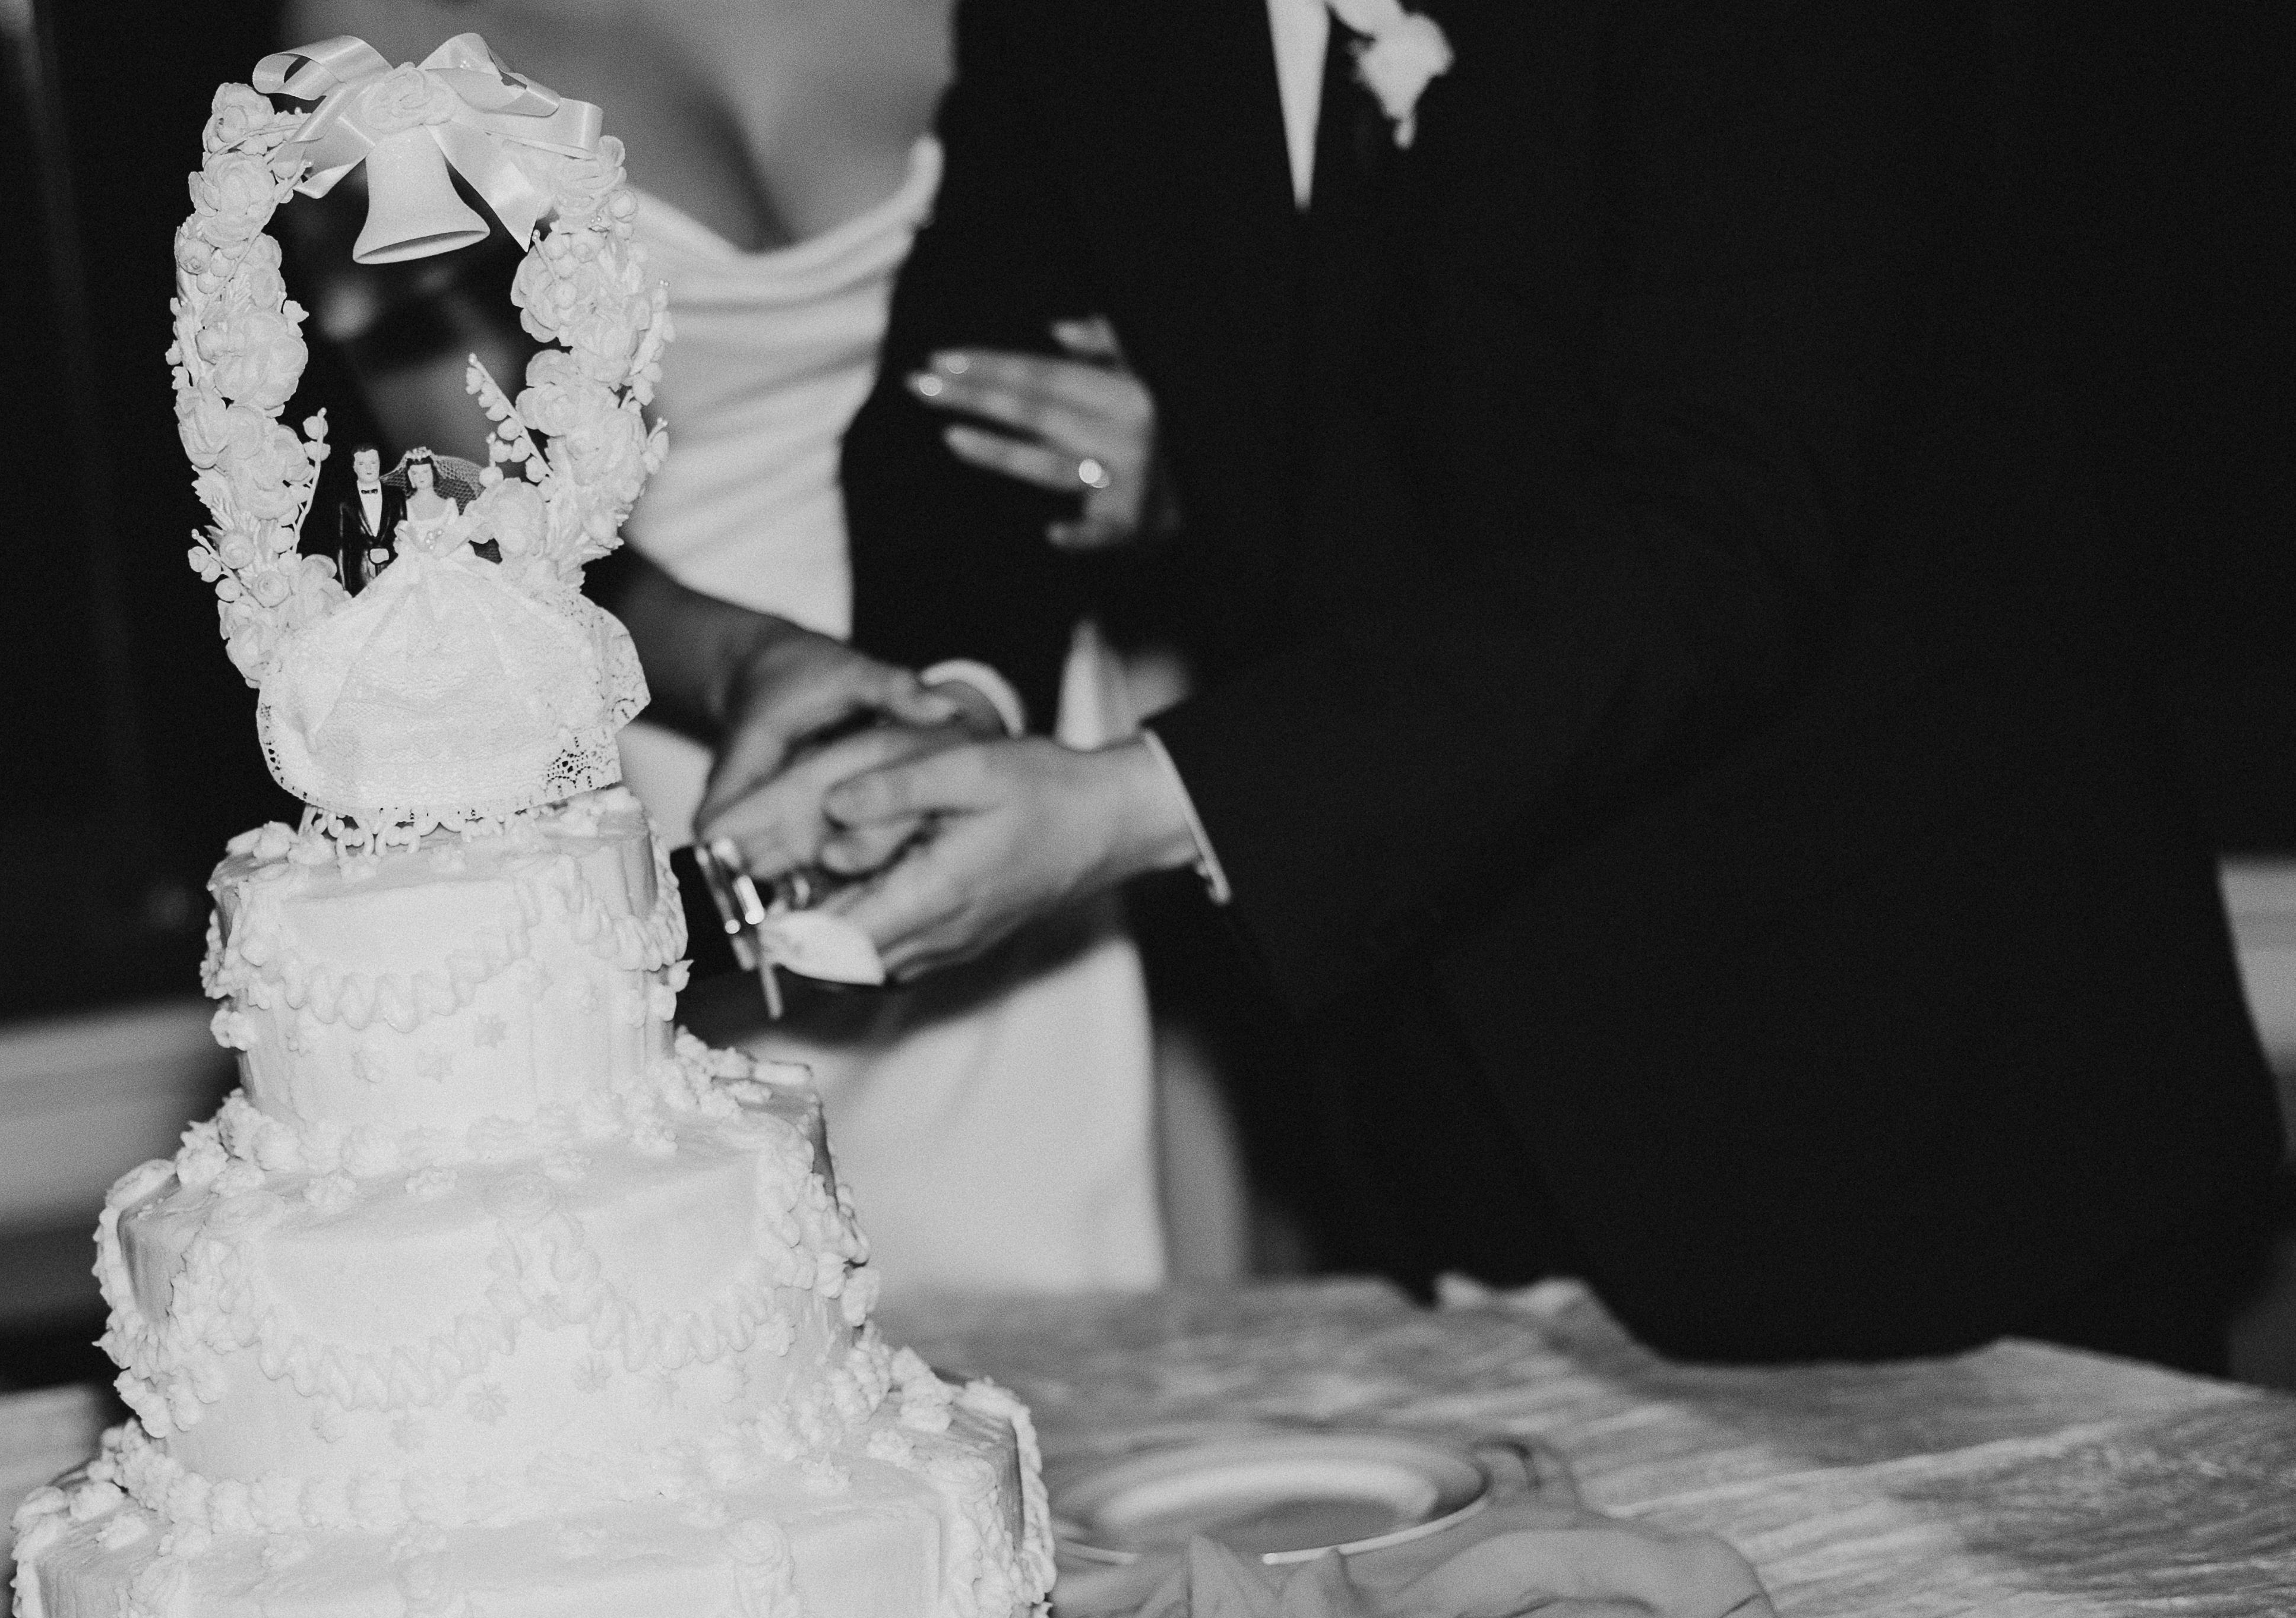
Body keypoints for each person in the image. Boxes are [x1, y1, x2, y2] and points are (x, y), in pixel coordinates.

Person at [708, 0, 2287, 1367]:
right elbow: (974, 381)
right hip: (1438, 1094)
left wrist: (1138, 802)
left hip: (1911, 1057)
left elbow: (1720, 528)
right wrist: (949, 699)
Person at [274, 0, 1179, 1291]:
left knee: (1063, 1285)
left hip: (1010, 705)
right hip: (679, 720)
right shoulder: (386, 22)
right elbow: (479, 515)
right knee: (739, 1312)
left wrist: (1175, 469)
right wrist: (745, 664)